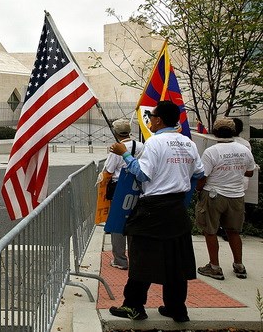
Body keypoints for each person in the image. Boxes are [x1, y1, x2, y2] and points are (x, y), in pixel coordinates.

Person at [108, 100, 205, 323]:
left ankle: (134, 306)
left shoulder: (155, 143)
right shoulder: (188, 143)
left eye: (151, 116)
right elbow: (198, 172)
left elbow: (142, 174)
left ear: (159, 120)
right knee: (176, 260)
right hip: (177, 208)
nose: (149, 120)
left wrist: (125, 154)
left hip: (153, 208)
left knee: (142, 256)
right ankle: (177, 308)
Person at [195, 117, 255, 281]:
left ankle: (214, 267)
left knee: (210, 231)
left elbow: (203, 176)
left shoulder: (212, 152)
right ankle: (239, 265)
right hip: (236, 195)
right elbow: (250, 172)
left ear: (215, 132)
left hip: (214, 195)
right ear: (234, 131)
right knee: (234, 232)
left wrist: (198, 189)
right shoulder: (244, 149)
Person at [102, 118, 144, 270]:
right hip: (137, 186)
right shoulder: (141, 146)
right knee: (134, 222)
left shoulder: (117, 148)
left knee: (118, 224)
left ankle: (120, 259)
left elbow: (109, 169)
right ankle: (135, 258)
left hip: (119, 188)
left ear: (116, 132)